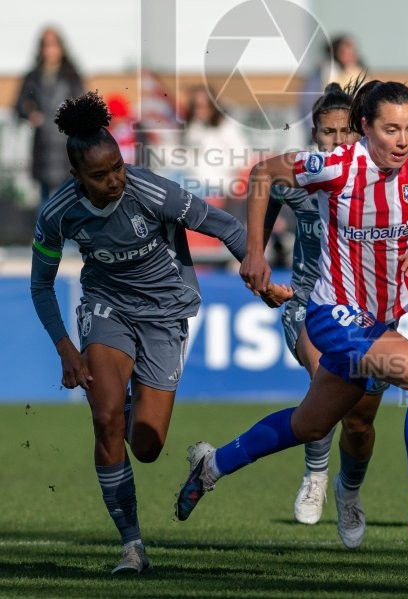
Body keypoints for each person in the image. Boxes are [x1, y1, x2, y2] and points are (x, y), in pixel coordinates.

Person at [175, 80, 408, 549]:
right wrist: (254, 254)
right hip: (334, 314)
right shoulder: (334, 165)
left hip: (380, 320)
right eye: (391, 129)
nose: (403, 140)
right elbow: (261, 175)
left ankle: (211, 466)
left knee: (311, 425)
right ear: (364, 127)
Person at [29, 91, 288, 574]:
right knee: (105, 418)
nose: (114, 181)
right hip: (107, 308)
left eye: (118, 169)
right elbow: (41, 285)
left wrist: (258, 274)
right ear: (76, 177)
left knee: (146, 448)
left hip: (166, 313)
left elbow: (225, 224)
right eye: (100, 176)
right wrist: (65, 348)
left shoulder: (152, 191)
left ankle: (137, 411)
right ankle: (131, 546)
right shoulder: (56, 213)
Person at [263, 83, 387, 543]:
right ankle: (315, 473)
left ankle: (348, 492)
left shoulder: (377, 175)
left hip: (369, 312)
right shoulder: (301, 176)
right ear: (314, 134)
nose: (336, 141)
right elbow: (264, 191)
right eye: (326, 132)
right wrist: (256, 259)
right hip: (307, 303)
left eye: (344, 132)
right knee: (324, 378)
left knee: (360, 420)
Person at [15, 27, 84, 203]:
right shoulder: (32, 77)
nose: (50, 50)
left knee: (68, 198)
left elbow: (81, 106)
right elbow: (20, 105)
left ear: (61, 47)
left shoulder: (72, 77)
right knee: (46, 200)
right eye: (46, 45)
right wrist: (30, 113)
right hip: (43, 146)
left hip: (66, 146)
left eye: (53, 45)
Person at [180, 86, 250, 212]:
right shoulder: (193, 128)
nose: (199, 110)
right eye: (196, 105)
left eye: (203, 105)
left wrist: (209, 159)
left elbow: (242, 157)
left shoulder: (226, 127)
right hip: (193, 181)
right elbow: (186, 158)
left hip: (218, 186)